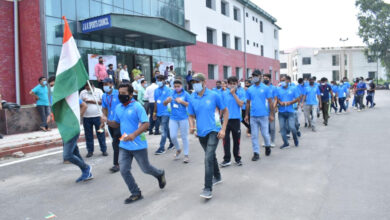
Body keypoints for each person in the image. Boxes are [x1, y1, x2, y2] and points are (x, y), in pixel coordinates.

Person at [102, 83, 166, 204]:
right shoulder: (118, 108)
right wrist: (107, 121)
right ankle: (136, 192)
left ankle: (159, 174)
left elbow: (146, 124)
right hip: (124, 145)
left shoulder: (137, 107)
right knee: (124, 170)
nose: (121, 96)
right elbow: (116, 123)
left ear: (131, 94)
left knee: (146, 169)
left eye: (124, 94)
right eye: (119, 93)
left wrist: (134, 135)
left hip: (138, 144)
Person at [188, 73, 228, 199]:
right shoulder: (192, 97)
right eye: (193, 82)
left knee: (207, 157)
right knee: (210, 156)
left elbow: (225, 111)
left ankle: (207, 187)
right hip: (201, 132)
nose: (195, 85)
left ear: (204, 82)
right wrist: (192, 126)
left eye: (197, 82)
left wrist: (223, 129)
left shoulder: (214, 95)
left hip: (214, 130)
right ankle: (217, 176)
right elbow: (190, 114)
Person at [244, 70, 274, 161]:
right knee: (254, 135)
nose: (254, 77)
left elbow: (270, 102)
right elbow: (248, 103)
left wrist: (271, 114)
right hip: (253, 116)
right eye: (253, 76)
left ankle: (267, 146)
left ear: (260, 76)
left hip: (264, 115)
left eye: (256, 75)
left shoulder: (265, 88)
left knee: (265, 134)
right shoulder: (250, 89)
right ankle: (256, 153)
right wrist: (246, 115)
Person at [63, 99, 93, 182]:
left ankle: (86, 168)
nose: (51, 86)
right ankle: (87, 173)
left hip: (72, 128)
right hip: (64, 129)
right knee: (75, 153)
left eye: (52, 85)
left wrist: (76, 119)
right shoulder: (55, 95)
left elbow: (84, 105)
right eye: (50, 85)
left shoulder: (68, 95)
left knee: (67, 155)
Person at [164, 80, 192, 163]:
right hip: (173, 118)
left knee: (184, 137)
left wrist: (182, 101)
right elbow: (164, 104)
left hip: (183, 118)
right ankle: (178, 149)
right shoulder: (171, 93)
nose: (176, 88)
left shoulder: (186, 94)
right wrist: (166, 101)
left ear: (181, 86)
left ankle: (186, 155)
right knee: (172, 136)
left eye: (178, 86)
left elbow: (190, 104)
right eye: (175, 86)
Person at [220, 76, 245, 167]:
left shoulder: (241, 92)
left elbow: (241, 104)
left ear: (237, 84)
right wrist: (219, 118)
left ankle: (237, 158)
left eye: (234, 84)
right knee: (225, 140)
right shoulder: (223, 93)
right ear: (227, 84)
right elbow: (222, 107)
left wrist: (234, 94)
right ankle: (227, 159)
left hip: (236, 119)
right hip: (225, 121)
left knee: (236, 140)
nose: (232, 85)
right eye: (230, 84)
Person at [80, 83, 108, 157]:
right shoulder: (82, 92)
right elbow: (80, 103)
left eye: (89, 88)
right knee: (88, 135)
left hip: (98, 117)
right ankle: (90, 151)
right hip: (86, 118)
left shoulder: (99, 91)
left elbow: (102, 102)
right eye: (86, 88)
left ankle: (104, 150)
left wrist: (90, 101)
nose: (87, 89)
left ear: (92, 86)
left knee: (101, 133)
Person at [101, 78, 121, 173]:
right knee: (116, 142)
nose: (104, 85)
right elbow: (104, 108)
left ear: (111, 84)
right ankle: (123, 158)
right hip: (110, 122)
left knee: (116, 142)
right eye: (103, 84)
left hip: (119, 122)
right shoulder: (104, 96)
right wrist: (103, 119)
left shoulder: (118, 93)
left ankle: (116, 164)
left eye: (106, 84)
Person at [275, 79, 300, 149]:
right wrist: (280, 103)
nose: (282, 82)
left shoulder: (293, 89)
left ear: (288, 81)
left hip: (290, 111)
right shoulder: (278, 89)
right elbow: (277, 98)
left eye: (284, 80)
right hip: (281, 112)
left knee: (292, 127)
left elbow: (297, 98)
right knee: (282, 128)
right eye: (281, 80)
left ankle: (295, 139)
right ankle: (286, 143)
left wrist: (290, 102)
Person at [153, 75, 174, 155]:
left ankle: (161, 148)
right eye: (157, 80)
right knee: (166, 129)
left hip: (166, 112)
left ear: (164, 81)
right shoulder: (156, 90)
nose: (159, 81)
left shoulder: (169, 90)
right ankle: (172, 143)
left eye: (160, 80)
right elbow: (155, 102)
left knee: (163, 129)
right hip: (159, 112)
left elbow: (170, 100)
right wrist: (154, 112)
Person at [263, 74, 277, 147]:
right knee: (265, 127)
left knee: (272, 127)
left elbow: (275, 99)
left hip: (271, 110)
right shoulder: (261, 88)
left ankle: (272, 141)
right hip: (263, 111)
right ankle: (266, 140)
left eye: (267, 78)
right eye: (264, 78)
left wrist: (273, 107)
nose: (265, 79)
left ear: (270, 79)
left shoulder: (273, 88)